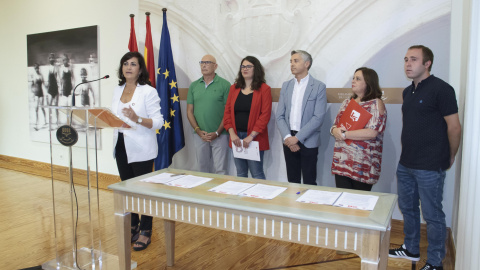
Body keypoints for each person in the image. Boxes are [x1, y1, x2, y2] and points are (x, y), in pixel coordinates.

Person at [388, 45, 461, 270]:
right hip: (406, 163)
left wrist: (450, 156)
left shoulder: (442, 89)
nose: (408, 64)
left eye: (414, 59)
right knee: (407, 208)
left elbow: (455, 128)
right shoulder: (408, 91)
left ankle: (435, 262)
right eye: (406, 59)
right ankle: (410, 248)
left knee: (432, 215)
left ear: (427, 63)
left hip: (430, 165)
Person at [112, 51, 163, 251]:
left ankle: (146, 230)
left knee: (143, 191)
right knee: (127, 189)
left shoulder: (148, 91)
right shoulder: (118, 89)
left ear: (140, 69)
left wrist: (137, 118)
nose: (128, 67)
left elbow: (158, 122)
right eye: (125, 63)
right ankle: (133, 225)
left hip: (142, 148)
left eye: (133, 64)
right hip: (121, 145)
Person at [330, 67, 387, 191]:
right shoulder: (346, 103)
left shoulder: (375, 104)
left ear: (368, 82)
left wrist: (344, 134)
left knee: (358, 207)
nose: (353, 81)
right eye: (353, 78)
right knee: (342, 204)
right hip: (342, 162)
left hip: (363, 165)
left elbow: (372, 132)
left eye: (358, 79)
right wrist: (334, 130)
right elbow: (335, 126)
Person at [276, 50, 327, 185]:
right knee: (292, 181)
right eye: (291, 61)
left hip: (308, 139)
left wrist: (297, 138)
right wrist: (288, 138)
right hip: (288, 138)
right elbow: (280, 115)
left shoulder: (318, 86)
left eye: (296, 61)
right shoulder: (286, 86)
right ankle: (293, 206)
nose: (292, 64)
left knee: (309, 181)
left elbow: (318, 117)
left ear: (307, 64)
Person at [224, 56, 272, 179]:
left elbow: (265, 115)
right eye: (243, 66)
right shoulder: (234, 88)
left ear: (256, 69)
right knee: (240, 173)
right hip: (236, 137)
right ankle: (242, 198)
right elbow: (228, 112)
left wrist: (251, 136)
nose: (245, 69)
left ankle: (261, 198)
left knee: (256, 173)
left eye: (248, 66)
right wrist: (232, 133)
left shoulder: (264, 89)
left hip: (254, 138)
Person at [187, 55, 231, 174]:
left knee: (220, 169)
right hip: (200, 135)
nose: (204, 65)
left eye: (207, 62)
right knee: (202, 169)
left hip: (220, 135)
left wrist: (217, 132)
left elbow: (229, 112)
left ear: (215, 66)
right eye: (202, 62)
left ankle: (219, 193)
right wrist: (198, 130)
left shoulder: (225, 85)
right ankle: (203, 192)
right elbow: (189, 111)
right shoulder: (194, 85)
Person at [30, 63, 47, 130]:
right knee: (36, 109)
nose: (37, 69)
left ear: (38, 68)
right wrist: (32, 94)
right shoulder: (33, 76)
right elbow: (32, 86)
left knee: (42, 108)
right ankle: (36, 123)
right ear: (34, 69)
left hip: (41, 93)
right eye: (35, 68)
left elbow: (44, 84)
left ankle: (45, 121)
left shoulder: (41, 75)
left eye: (37, 68)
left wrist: (47, 92)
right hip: (36, 94)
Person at [46, 53, 60, 125]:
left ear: (54, 59)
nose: (52, 59)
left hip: (55, 88)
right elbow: (46, 81)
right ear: (49, 59)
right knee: (50, 106)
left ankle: (57, 122)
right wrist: (46, 91)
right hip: (50, 89)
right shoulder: (47, 68)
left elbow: (58, 78)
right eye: (50, 58)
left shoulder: (56, 67)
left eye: (53, 58)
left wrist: (59, 88)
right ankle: (50, 122)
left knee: (56, 106)